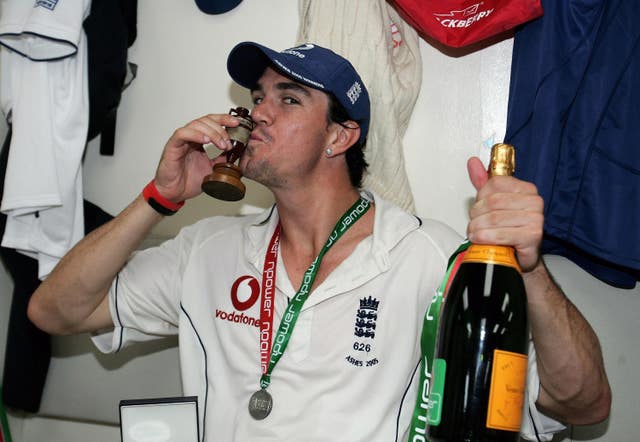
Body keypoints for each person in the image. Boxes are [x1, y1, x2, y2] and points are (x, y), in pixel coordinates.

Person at [27, 42, 611, 441]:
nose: (258, 114)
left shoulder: (436, 259)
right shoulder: (205, 250)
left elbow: (582, 405)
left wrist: (527, 267)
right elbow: (52, 309)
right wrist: (159, 198)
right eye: (258, 97)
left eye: (288, 99)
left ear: (340, 136)